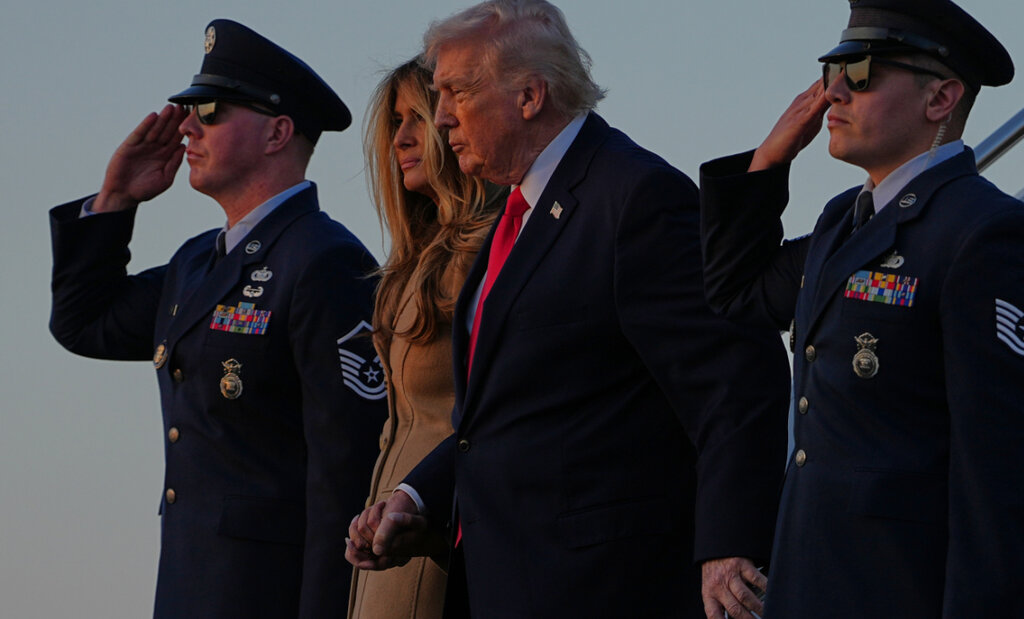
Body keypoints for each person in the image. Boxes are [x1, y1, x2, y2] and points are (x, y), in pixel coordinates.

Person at [345, 1, 790, 617]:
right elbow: (507, 415)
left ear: (529, 96)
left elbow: (736, 378)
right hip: (507, 582)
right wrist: (418, 497)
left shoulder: (633, 198)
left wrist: (730, 546)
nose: (442, 116)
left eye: (457, 92)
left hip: (606, 586)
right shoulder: (514, 213)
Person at [699, 0, 1024, 616]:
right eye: (830, 70)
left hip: (909, 589)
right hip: (816, 582)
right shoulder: (846, 220)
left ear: (940, 99)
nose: (835, 91)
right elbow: (739, 293)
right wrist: (768, 164)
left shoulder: (985, 232)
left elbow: (1004, 475)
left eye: (863, 72)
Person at [48, 19, 387, 619]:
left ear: (278, 132)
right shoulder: (196, 262)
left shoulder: (323, 260)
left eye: (209, 109)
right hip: (190, 590)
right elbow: (85, 322)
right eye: (186, 109)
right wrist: (115, 199)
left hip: (271, 596)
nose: (186, 127)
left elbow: (346, 475)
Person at [345, 58, 502, 619]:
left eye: (418, 116)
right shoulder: (411, 262)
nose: (402, 138)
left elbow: (490, 417)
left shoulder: (492, 252)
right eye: (395, 122)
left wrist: (417, 503)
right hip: (387, 535)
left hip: (441, 537)